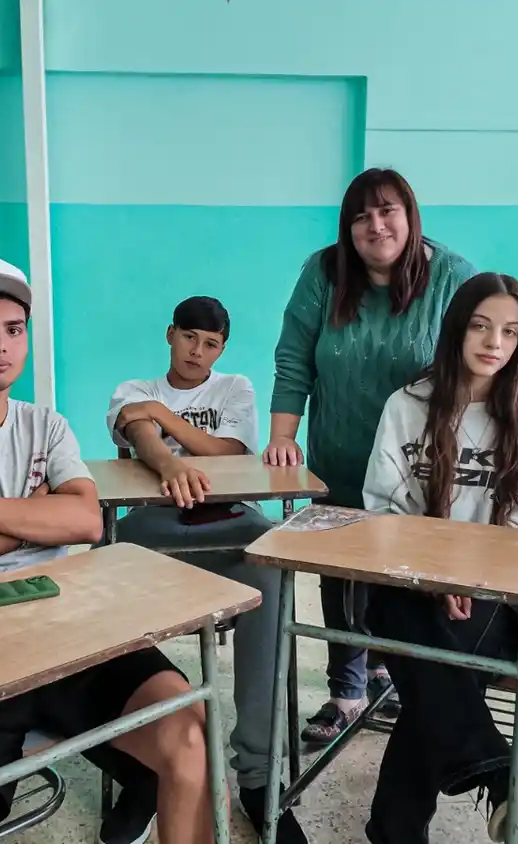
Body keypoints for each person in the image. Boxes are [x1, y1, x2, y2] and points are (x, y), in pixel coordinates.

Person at [0, 255, 216, 844]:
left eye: (14, 329)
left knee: (190, 735)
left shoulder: (46, 425)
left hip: (69, 626)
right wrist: (35, 518)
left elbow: (84, 520)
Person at [265, 167, 478, 747]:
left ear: (410, 216)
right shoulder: (324, 272)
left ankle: (398, 672)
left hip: (423, 465)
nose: (375, 225)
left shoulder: (453, 277)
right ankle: (348, 690)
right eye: (361, 216)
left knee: (407, 573)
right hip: (339, 454)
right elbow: (294, 358)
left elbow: (481, 360)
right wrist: (283, 435)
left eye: (387, 211)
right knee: (342, 576)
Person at [360, 273, 518, 843]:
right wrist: (436, 574)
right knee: (419, 630)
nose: (493, 342)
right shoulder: (408, 404)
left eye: (510, 331)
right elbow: (383, 508)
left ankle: (396, 830)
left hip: (498, 597)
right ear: (456, 329)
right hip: (410, 584)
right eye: (480, 325)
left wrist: (473, 577)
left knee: (436, 661)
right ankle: (499, 776)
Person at [105, 296, 307, 843]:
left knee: (273, 574)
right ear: (170, 334)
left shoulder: (235, 388)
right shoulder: (133, 388)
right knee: (107, 581)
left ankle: (260, 774)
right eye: (189, 336)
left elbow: (230, 451)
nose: (198, 351)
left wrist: (164, 420)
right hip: (155, 524)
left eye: (211, 343)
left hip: (233, 521)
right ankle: (143, 768)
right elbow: (134, 430)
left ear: (223, 348)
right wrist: (167, 457)